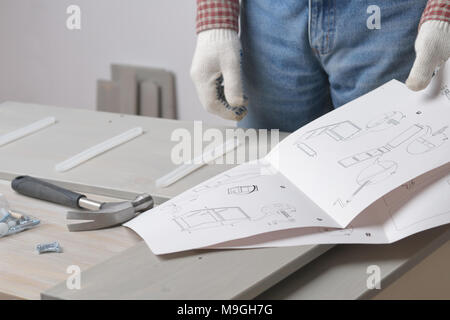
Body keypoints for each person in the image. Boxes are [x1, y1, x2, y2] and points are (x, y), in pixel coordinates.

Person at [190, 0, 450, 132]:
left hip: (386, 15)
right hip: (271, 17)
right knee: (269, 175)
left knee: (386, 183)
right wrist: (215, 22)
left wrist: (443, 10)